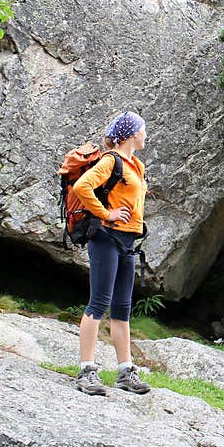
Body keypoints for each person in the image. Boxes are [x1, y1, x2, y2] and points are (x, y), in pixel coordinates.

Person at [72, 111, 151, 396]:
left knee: (121, 306)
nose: (145, 133)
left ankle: (125, 371)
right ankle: (87, 370)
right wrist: (106, 213)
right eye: (142, 129)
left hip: (128, 242)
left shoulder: (137, 165)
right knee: (99, 302)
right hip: (106, 237)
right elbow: (83, 187)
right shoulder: (111, 160)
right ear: (131, 134)